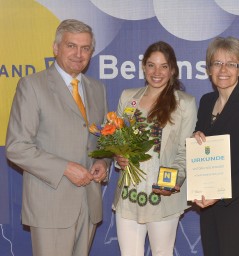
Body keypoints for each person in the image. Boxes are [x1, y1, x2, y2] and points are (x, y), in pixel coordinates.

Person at [6, 19, 109, 256]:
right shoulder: (32, 86)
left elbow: (102, 142)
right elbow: (16, 147)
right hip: (50, 204)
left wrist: (103, 162)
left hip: (89, 203)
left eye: (85, 48)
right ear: (55, 48)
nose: (78, 54)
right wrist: (65, 168)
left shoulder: (97, 89)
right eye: (71, 46)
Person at [112, 41, 197, 256]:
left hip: (163, 195)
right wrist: (118, 157)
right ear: (143, 67)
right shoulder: (127, 97)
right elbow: (118, 141)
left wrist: (172, 182)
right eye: (151, 65)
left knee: (162, 252)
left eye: (164, 66)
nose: (156, 72)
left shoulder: (185, 103)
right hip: (129, 194)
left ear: (173, 70)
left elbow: (185, 150)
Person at [193, 36, 239, 256]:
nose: (223, 69)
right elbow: (203, 140)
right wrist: (196, 135)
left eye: (231, 63)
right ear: (209, 69)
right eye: (217, 63)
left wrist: (223, 192)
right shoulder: (206, 102)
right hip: (209, 205)